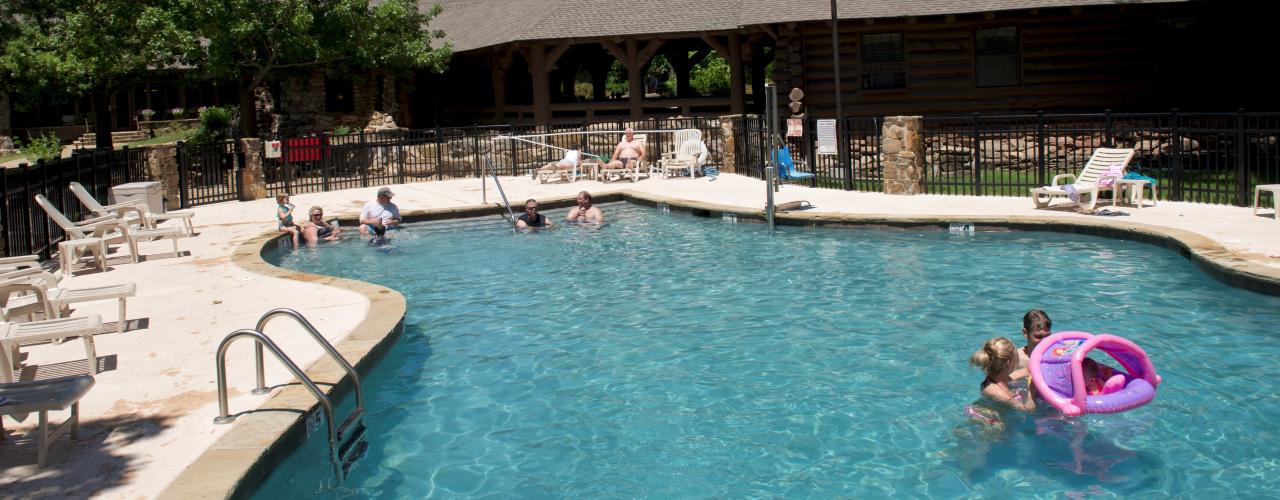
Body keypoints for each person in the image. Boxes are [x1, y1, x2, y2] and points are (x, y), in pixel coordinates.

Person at [970, 337, 1037, 413]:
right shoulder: (998, 393)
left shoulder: (999, 377)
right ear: (1009, 363)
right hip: (988, 420)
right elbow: (1028, 410)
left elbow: (1027, 370)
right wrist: (1032, 390)